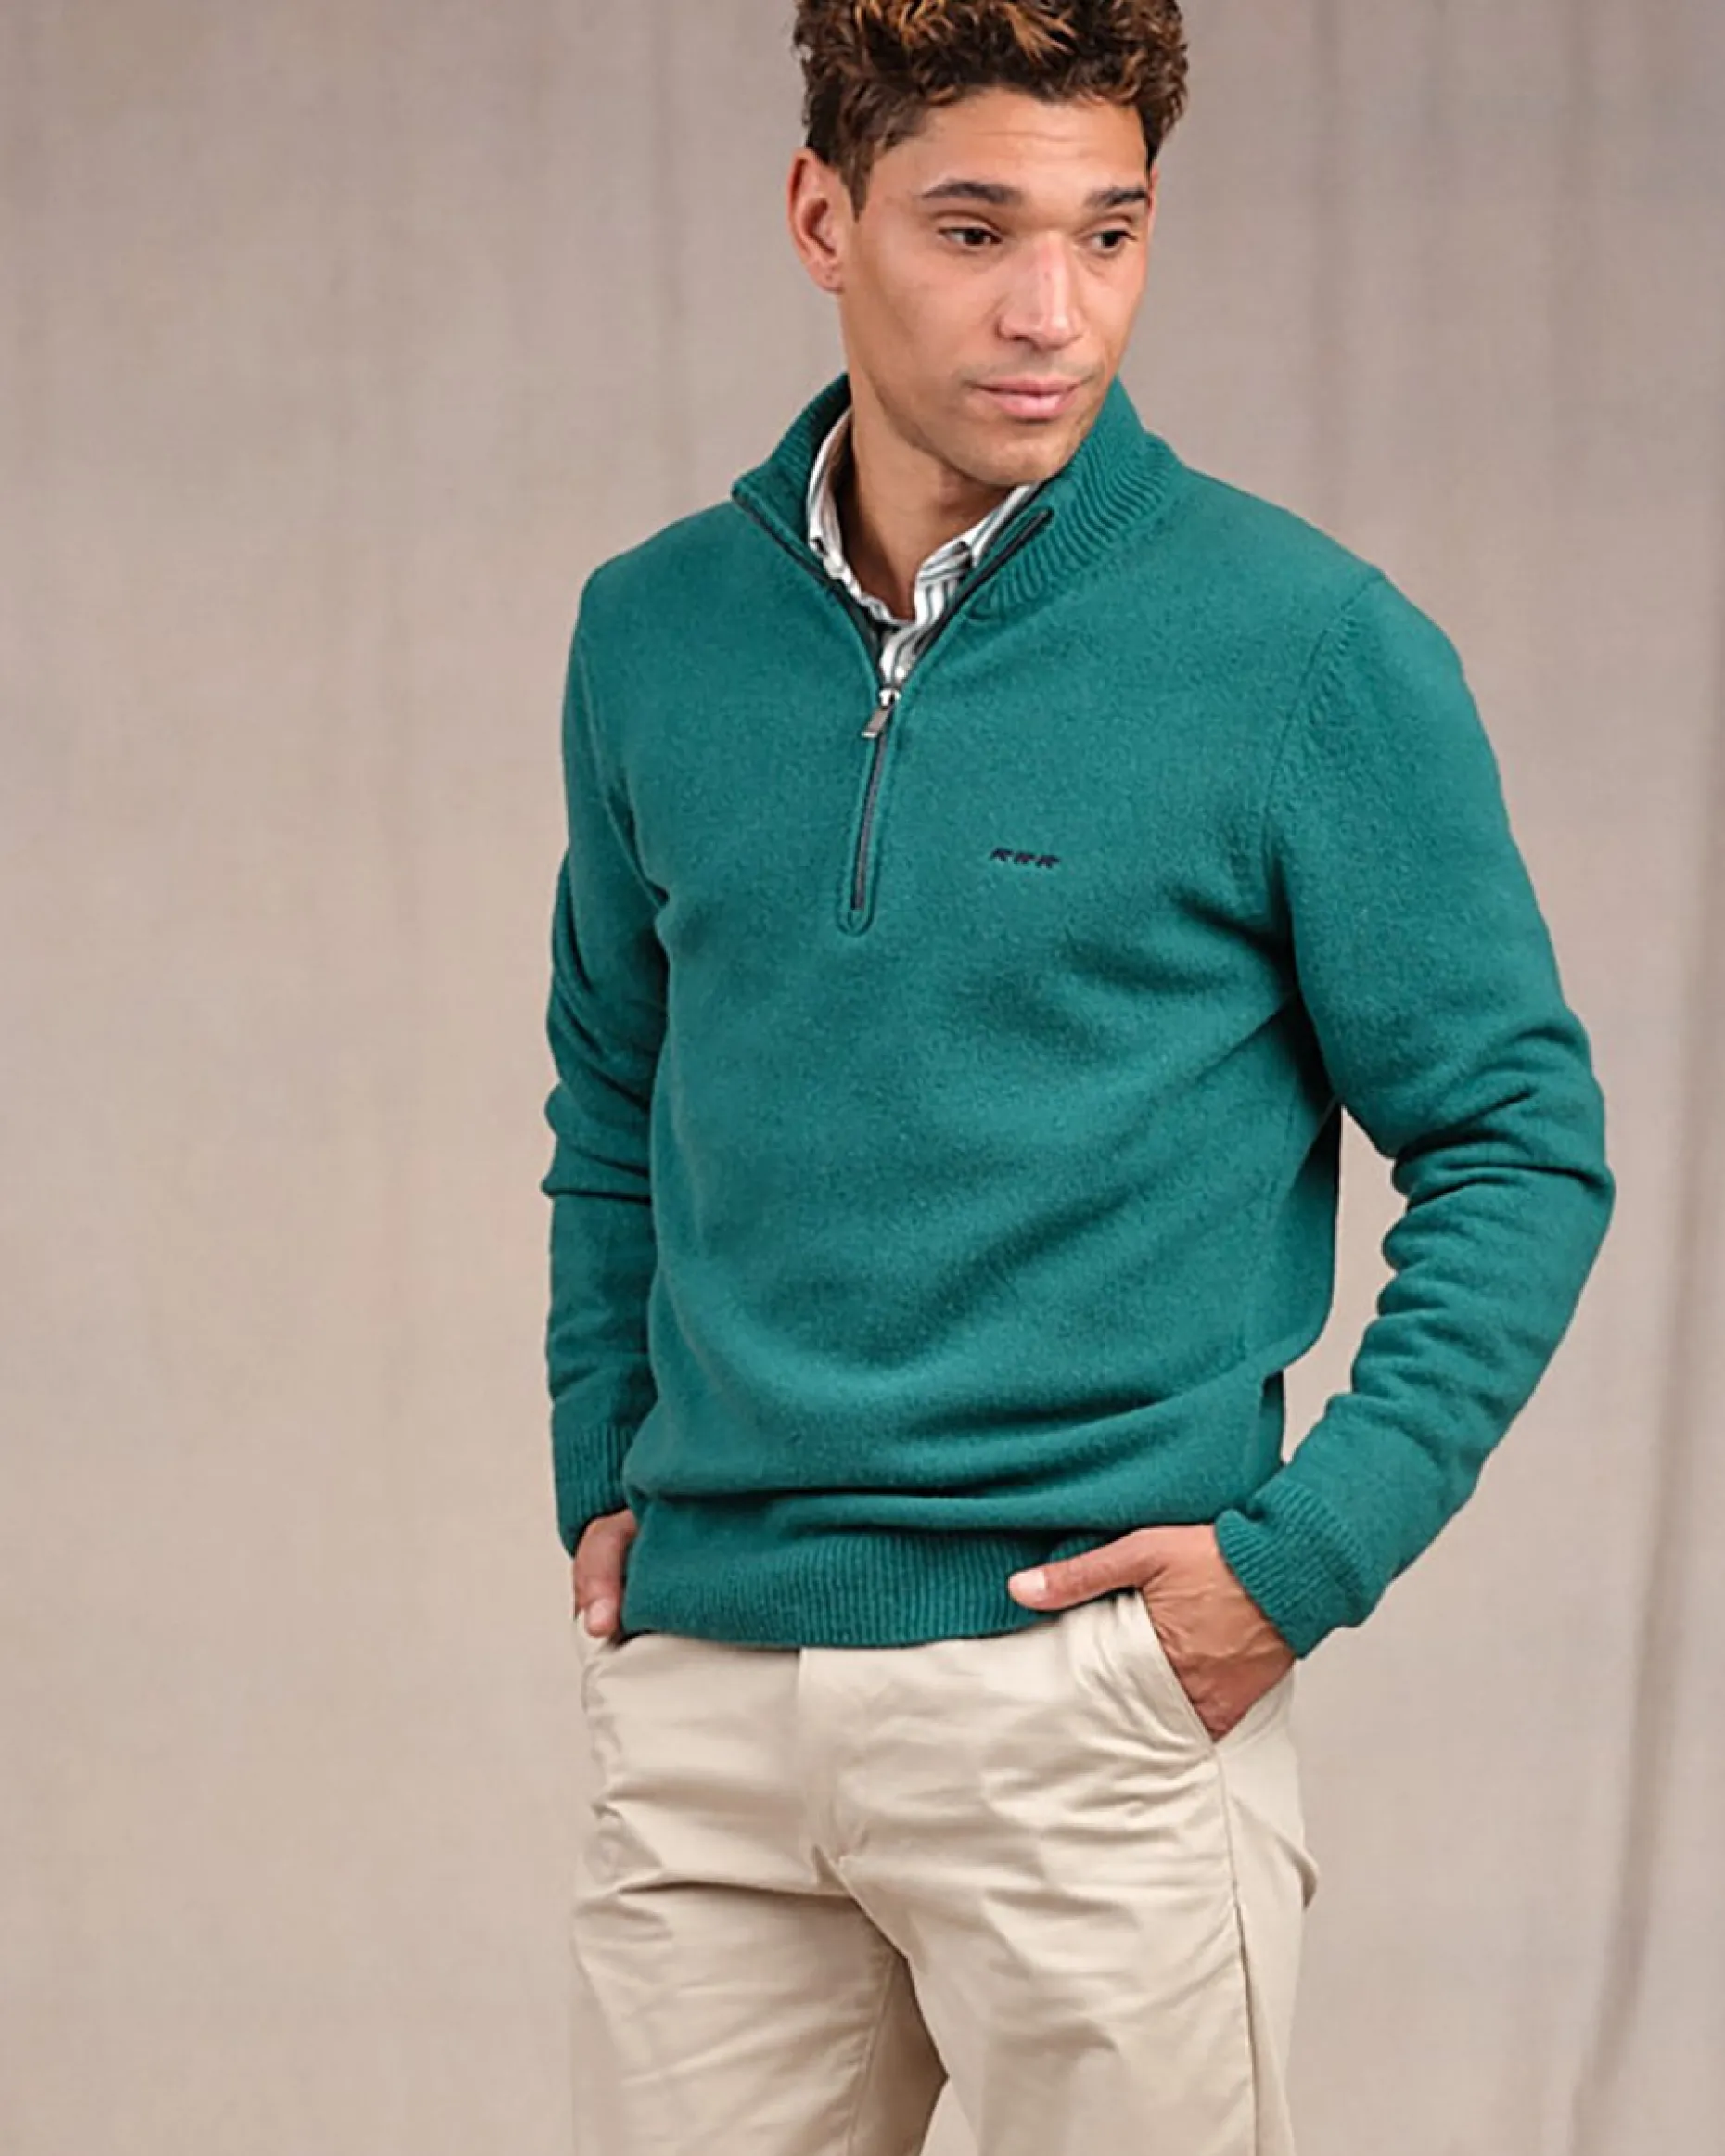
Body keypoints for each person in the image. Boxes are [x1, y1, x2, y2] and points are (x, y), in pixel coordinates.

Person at [538, 4, 1616, 2150]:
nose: (1056, 311)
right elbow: (612, 1094)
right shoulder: (652, 630)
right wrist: (604, 1470)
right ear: (822, 218)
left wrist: (1295, 1565)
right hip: (714, 1710)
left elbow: (1518, 1144)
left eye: (1109, 233)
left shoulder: (1305, 649)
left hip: (1089, 1707)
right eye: (976, 231)